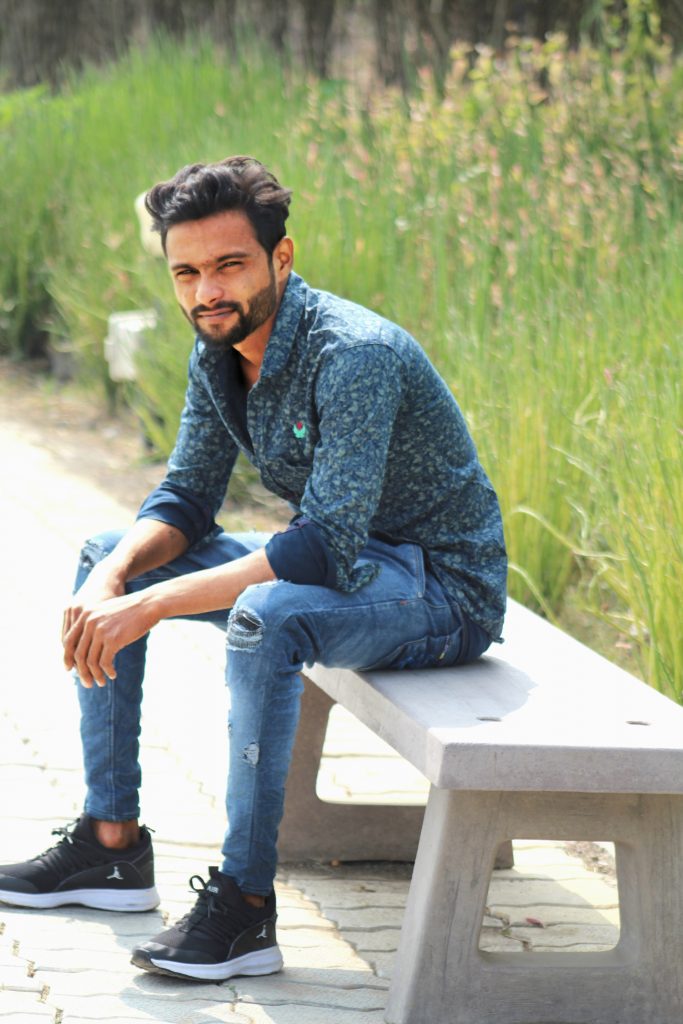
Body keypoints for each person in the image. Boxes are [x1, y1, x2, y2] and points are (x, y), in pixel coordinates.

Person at [0, 156, 507, 982]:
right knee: (106, 554)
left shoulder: (354, 354)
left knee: (266, 617)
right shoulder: (220, 349)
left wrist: (151, 606)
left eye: (229, 265)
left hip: (438, 589)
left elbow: (317, 549)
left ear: (282, 257)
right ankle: (110, 845)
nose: (207, 291)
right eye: (187, 272)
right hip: (353, 570)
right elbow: (186, 498)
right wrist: (113, 581)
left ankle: (242, 909)